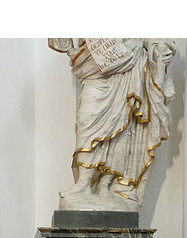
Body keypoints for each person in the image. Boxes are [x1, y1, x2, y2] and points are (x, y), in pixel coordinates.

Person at [48, 38, 177, 212]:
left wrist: (159, 49)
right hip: (97, 63)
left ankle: (106, 185)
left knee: (123, 129)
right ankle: (83, 183)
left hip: (130, 64)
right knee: (87, 123)